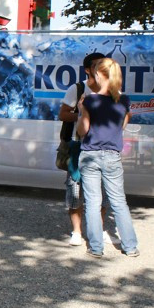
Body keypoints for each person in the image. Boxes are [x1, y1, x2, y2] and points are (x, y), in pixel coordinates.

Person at [76, 57, 140, 258]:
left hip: (90, 154)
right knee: (119, 201)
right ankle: (130, 247)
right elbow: (121, 126)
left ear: (98, 74)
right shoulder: (124, 100)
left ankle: (95, 248)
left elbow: (82, 131)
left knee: (93, 202)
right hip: (112, 154)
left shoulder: (90, 100)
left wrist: (80, 111)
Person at [58, 52, 104, 246]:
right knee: (74, 190)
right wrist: (82, 114)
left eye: (105, 65)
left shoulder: (111, 90)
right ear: (88, 69)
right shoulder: (77, 89)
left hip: (102, 148)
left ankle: (98, 232)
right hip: (78, 146)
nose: (101, 68)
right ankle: (76, 231)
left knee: (101, 194)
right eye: (97, 65)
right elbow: (62, 114)